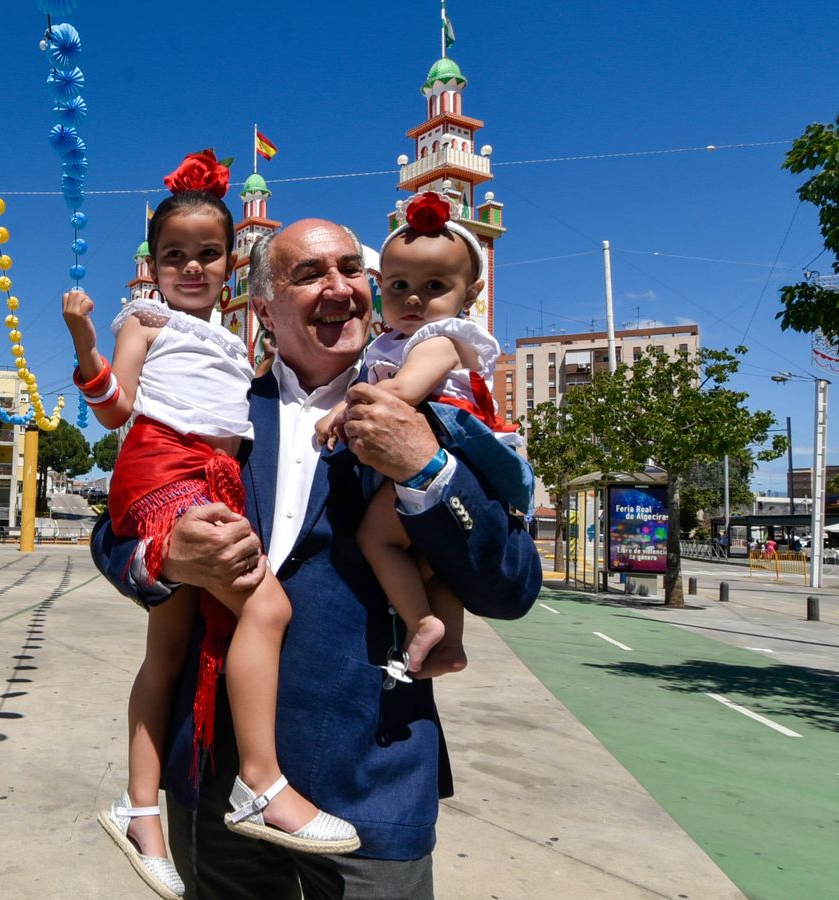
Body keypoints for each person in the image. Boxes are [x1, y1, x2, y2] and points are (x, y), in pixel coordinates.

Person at [92, 215, 541, 899]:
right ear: (264, 311)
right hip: (214, 789)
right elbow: (114, 531)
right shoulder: (216, 410)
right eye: (309, 274)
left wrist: (424, 468)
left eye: (351, 270)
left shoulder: (436, 411)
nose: (340, 288)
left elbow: (510, 585)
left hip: (371, 786)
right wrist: (167, 560)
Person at [66, 153, 358, 900]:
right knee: (266, 604)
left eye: (206, 256)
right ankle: (257, 783)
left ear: (233, 268)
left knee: (165, 653)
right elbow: (116, 411)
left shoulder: (240, 354)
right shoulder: (149, 320)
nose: (190, 269)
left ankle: (139, 809)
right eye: (173, 256)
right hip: (169, 473)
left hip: (211, 479)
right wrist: (83, 342)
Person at [317, 191, 528, 679]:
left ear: (470, 293)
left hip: (444, 453)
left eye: (433, 285)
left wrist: (344, 411)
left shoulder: (441, 339)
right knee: (434, 563)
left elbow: (403, 392)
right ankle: (449, 645)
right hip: (429, 465)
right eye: (398, 285)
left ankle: (422, 621)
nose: (413, 297)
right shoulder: (391, 341)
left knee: (379, 539)